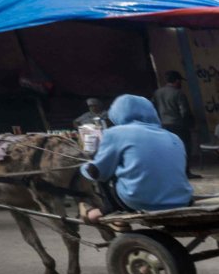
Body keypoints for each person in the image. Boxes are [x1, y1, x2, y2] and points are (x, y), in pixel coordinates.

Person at [79, 94, 192, 223]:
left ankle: (105, 210)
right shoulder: (173, 136)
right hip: (182, 199)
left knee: (99, 169)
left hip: (138, 201)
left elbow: (99, 172)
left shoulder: (114, 133)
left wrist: (84, 168)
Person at [152, 70, 199, 179]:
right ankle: (186, 172)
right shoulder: (178, 93)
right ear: (177, 81)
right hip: (179, 126)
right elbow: (184, 111)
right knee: (185, 148)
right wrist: (189, 124)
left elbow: (153, 108)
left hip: (164, 125)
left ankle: (174, 172)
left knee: (169, 150)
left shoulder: (157, 93)